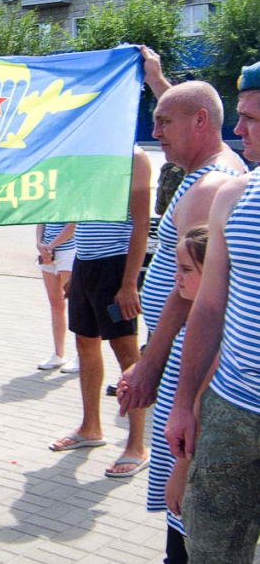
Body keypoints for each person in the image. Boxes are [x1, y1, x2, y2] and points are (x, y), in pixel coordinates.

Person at [165, 61, 260, 564]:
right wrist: (183, 405)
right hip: (232, 408)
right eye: (239, 115)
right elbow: (208, 307)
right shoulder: (234, 196)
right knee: (213, 547)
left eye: (252, 119)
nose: (239, 129)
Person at [118, 50, 243, 417]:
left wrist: (149, 364)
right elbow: (188, 110)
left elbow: (192, 290)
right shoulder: (208, 169)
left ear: (200, 122)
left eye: (163, 123)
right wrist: (156, 80)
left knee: (174, 465)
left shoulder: (209, 186)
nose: (156, 133)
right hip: (179, 347)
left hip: (186, 351)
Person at [49, 145, 151, 478]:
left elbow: (141, 224)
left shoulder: (134, 156)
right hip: (86, 264)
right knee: (85, 345)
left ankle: (137, 445)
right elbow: (84, 218)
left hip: (117, 266)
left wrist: (129, 283)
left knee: (128, 356)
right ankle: (90, 428)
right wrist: (77, 271)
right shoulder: (89, 155)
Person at [142, 226, 208, 564]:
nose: (175, 277)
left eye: (185, 270)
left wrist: (182, 468)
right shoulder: (195, 317)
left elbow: (202, 410)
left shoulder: (215, 330)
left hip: (190, 464)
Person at [35, 223, 77, 371]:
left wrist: (51, 246)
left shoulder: (74, 198)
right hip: (47, 252)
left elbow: (73, 225)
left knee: (75, 304)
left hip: (68, 251)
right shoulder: (49, 198)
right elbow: (41, 219)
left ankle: (81, 355)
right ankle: (59, 355)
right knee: (56, 304)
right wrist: (39, 243)